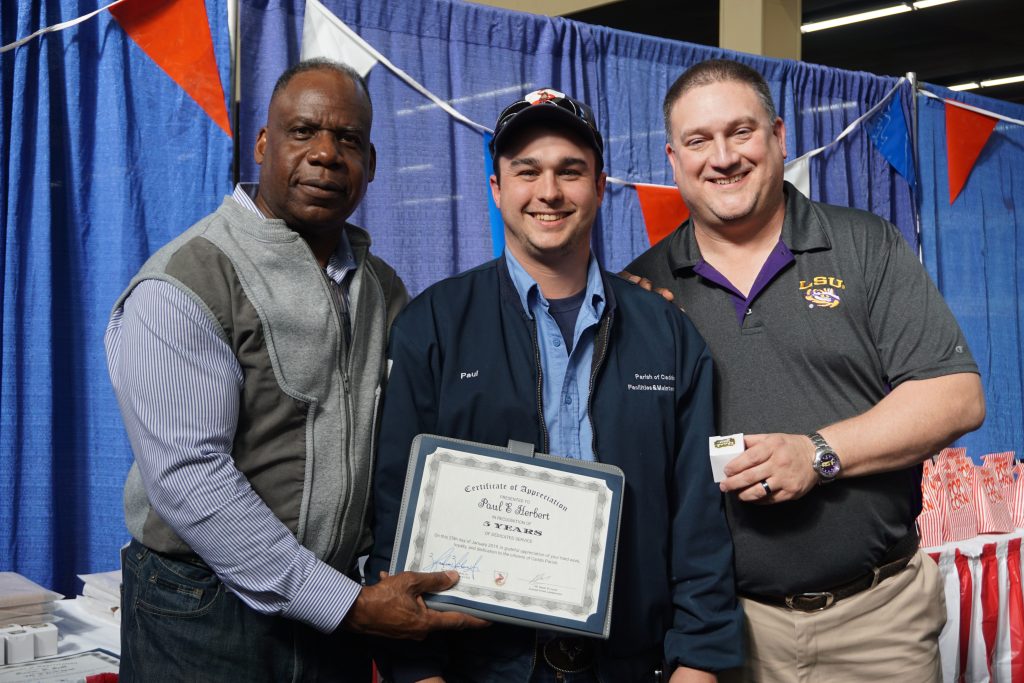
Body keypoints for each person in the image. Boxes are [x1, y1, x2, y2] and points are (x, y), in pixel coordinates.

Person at [105, 59, 483, 682]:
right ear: (263, 144)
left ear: (370, 163)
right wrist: (347, 606)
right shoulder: (188, 281)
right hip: (205, 612)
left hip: (333, 615)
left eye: (348, 139)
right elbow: (190, 478)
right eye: (303, 131)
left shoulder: (382, 288)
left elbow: (445, 410)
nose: (326, 154)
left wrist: (620, 308)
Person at [626, 58, 985, 682]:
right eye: (699, 141)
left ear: (778, 137)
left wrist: (817, 453)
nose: (723, 157)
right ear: (673, 159)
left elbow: (956, 396)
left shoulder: (864, 246)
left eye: (741, 132)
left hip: (878, 623)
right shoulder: (642, 288)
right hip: (722, 634)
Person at [368, 88, 743, 683]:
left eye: (570, 171)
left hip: (633, 668)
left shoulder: (667, 333)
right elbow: (395, 511)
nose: (549, 191)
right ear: (497, 188)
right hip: (481, 670)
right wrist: (417, 672)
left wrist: (699, 663)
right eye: (527, 172)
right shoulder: (433, 327)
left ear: (600, 186)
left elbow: (699, 516)